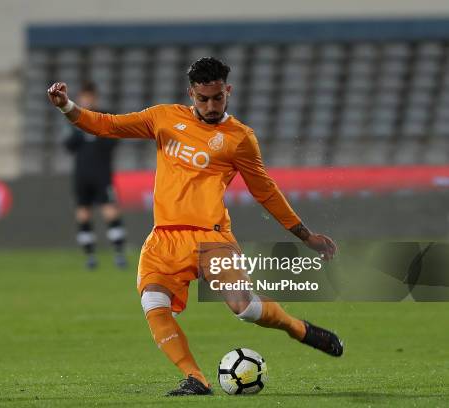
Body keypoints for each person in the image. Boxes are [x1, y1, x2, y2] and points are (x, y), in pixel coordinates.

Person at [48, 57, 342, 396]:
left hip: (211, 237)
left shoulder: (240, 138)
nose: (211, 105)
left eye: (218, 97)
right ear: (191, 93)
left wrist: (306, 236)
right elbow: (105, 125)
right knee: (153, 303)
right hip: (164, 238)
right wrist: (66, 106)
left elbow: (266, 193)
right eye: (203, 99)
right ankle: (195, 378)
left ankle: (295, 327)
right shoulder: (163, 118)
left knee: (245, 308)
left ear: (227, 91)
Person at [62, 82, 127, 270]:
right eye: (84, 97)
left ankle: (119, 254)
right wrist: (80, 132)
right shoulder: (74, 120)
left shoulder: (104, 117)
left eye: (90, 97)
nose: (87, 100)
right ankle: (90, 256)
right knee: (83, 214)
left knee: (110, 212)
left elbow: (114, 141)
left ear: (95, 98)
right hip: (82, 175)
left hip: (102, 174)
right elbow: (68, 146)